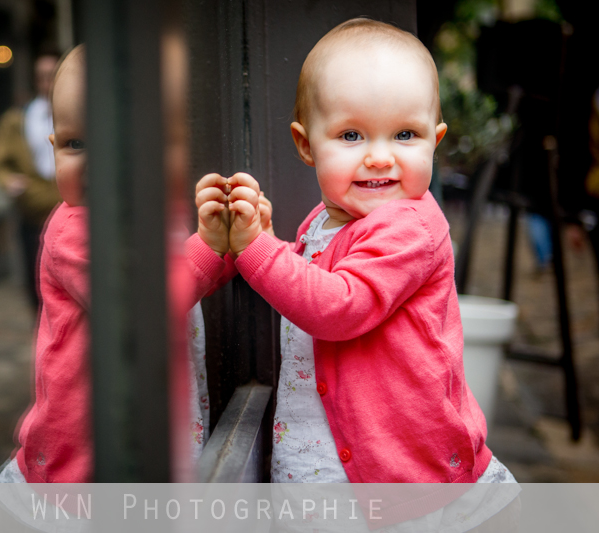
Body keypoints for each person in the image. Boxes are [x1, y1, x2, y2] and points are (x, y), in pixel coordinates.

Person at [196, 17, 518, 525]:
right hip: (330, 457)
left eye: (405, 134)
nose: (380, 157)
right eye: (351, 134)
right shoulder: (322, 223)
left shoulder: (410, 226)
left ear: (434, 141)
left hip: (399, 471)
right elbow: (306, 284)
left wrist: (259, 250)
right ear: (306, 145)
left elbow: (339, 304)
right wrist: (256, 237)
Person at [0, 44, 241, 484]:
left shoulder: (152, 220)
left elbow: (186, 275)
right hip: (88, 459)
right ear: (53, 147)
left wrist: (229, 249)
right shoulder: (77, 231)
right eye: (76, 144)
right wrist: (208, 248)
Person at [0, 53, 63, 311]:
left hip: (71, 212)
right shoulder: (18, 119)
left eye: (52, 76)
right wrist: (8, 180)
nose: (47, 83)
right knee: (38, 282)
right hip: (34, 216)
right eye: (42, 77)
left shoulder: (78, 113)